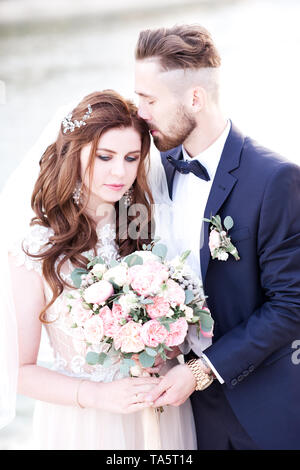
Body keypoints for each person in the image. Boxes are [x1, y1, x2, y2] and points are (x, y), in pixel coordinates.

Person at [134, 24, 300, 450]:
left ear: (195, 98)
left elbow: (291, 304)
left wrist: (200, 370)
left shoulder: (276, 179)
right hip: (177, 417)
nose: (140, 113)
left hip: (263, 410)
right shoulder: (146, 174)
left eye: (149, 99)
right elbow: (128, 264)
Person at [2, 90, 196, 450]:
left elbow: (181, 333)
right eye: (104, 157)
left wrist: (164, 343)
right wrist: (97, 395)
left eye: (131, 157)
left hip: (160, 410)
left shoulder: (146, 228)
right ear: (75, 154)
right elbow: (19, 371)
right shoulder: (38, 248)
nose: (119, 172)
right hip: (85, 422)